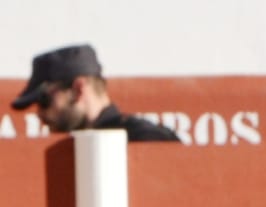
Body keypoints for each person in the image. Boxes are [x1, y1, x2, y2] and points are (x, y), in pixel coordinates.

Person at [11, 43, 181, 143]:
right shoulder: (69, 149)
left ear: (78, 89)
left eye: (44, 100)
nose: (39, 113)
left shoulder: (146, 139)